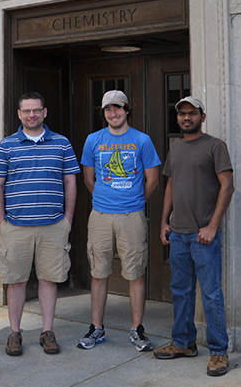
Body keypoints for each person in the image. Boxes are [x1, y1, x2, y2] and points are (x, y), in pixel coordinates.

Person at [0, 92, 80, 356]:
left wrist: (68, 220)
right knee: (15, 281)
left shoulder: (62, 144)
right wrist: (2, 221)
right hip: (15, 226)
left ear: (45, 112)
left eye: (36, 110)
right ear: (19, 114)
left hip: (53, 225)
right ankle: (14, 333)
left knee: (49, 280)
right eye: (27, 111)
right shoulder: (6, 146)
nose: (32, 115)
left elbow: (70, 182)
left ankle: (47, 332)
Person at [153, 96, 234, 377]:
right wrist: (165, 221)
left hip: (204, 236)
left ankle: (219, 352)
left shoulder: (215, 146)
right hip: (178, 233)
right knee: (180, 291)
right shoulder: (175, 149)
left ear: (203, 116)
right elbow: (171, 187)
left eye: (192, 113)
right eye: (182, 114)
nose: (186, 118)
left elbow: (228, 187)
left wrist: (212, 226)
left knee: (211, 294)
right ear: (177, 118)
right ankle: (184, 343)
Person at [77, 90, 160, 351]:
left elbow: (153, 180)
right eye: (108, 110)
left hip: (132, 216)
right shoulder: (93, 140)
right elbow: (89, 179)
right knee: (98, 272)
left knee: (135, 273)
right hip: (100, 215)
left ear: (126, 110)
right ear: (104, 113)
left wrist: (133, 201)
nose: (113, 113)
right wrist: (106, 199)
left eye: (118, 108)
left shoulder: (142, 140)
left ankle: (137, 329)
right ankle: (96, 328)